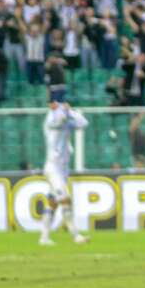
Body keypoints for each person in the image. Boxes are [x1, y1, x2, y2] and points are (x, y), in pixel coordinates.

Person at [40, 94, 90, 246]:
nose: (53, 105)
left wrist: (70, 112)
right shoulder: (50, 119)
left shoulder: (67, 119)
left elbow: (84, 123)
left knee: (52, 203)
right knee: (65, 199)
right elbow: (58, 121)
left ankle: (44, 238)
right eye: (53, 103)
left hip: (62, 169)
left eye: (55, 103)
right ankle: (76, 235)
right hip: (53, 168)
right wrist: (64, 112)